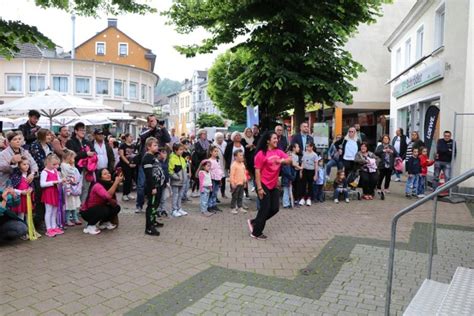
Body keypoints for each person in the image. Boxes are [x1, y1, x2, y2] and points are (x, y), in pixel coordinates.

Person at [247, 132, 292, 240]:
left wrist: (282, 160)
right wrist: (259, 188)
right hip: (262, 183)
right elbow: (257, 172)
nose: (277, 140)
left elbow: (290, 160)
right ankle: (256, 233)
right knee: (265, 208)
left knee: (275, 208)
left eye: (277, 138)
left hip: (274, 184)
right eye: (274, 138)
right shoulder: (261, 154)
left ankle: (254, 222)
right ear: (268, 141)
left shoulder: (279, 152)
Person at [136, 115, 171, 213]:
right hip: (145, 160)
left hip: (157, 162)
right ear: (148, 122)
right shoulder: (145, 130)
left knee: (156, 183)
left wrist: (162, 127)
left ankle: (155, 206)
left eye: (155, 121)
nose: (154, 122)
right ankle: (139, 205)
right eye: (151, 121)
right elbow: (142, 137)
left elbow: (168, 139)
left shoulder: (160, 131)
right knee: (141, 184)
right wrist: (152, 128)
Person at [81, 169, 122, 235]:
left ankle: (104, 222)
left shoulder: (108, 184)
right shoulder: (97, 185)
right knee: (103, 210)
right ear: (100, 177)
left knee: (116, 207)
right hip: (87, 211)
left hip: (98, 208)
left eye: (108, 173)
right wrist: (115, 183)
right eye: (105, 174)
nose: (108, 175)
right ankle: (90, 226)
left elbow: (113, 199)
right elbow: (107, 196)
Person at [142, 137, 166, 236]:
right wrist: (153, 187)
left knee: (155, 205)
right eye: (154, 145)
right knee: (151, 206)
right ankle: (149, 227)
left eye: (157, 145)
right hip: (153, 186)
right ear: (148, 147)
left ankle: (153, 221)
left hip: (158, 185)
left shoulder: (153, 156)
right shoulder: (147, 158)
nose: (157, 147)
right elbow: (148, 175)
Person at [66, 122, 94, 203]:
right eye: (81, 130)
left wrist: (90, 154)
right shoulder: (70, 142)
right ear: (76, 131)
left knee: (86, 187)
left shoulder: (87, 141)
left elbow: (93, 151)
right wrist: (86, 154)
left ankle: (83, 206)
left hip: (87, 168)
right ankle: (76, 208)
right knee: (76, 188)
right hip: (76, 168)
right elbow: (72, 155)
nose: (83, 132)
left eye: (84, 130)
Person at [40, 154, 64, 237]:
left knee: (55, 211)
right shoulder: (44, 172)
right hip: (48, 193)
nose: (56, 166)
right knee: (49, 211)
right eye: (54, 164)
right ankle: (48, 228)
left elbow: (58, 180)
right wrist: (53, 182)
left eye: (57, 164)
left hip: (55, 192)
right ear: (47, 163)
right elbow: (42, 184)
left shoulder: (55, 171)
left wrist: (63, 181)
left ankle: (54, 226)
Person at [61, 150, 82, 227]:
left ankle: (75, 217)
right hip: (68, 187)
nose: (74, 159)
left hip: (73, 186)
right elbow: (72, 173)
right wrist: (73, 165)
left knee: (74, 203)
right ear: (69, 158)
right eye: (73, 158)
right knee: (69, 203)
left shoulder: (69, 166)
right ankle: (67, 219)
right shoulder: (64, 166)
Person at [10, 156, 34, 223]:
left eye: (28, 164)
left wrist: (30, 189)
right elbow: (12, 188)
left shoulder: (28, 175)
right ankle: (22, 230)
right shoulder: (16, 176)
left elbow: (31, 186)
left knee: (28, 215)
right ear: (19, 165)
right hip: (20, 199)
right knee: (21, 215)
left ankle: (29, 230)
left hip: (27, 198)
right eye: (24, 164)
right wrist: (21, 192)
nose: (27, 166)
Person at [169, 143, 188, 218]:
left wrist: (185, 177)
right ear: (175, 150)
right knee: (175, 195)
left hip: (182, 181)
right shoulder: (172, 159)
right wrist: (177, 177)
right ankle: (174, 210)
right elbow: (170, 171)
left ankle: (179, 208)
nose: (182, 151)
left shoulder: (182, 159)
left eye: (182, 149)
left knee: (180, 195)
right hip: (176, 181)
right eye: (180, 150)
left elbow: (184, 169)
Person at [191, 129, 211, 198]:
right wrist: (205, 151)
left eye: (206, 134)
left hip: (206, 162)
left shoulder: (208, 142)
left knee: (204, 177)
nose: (205, 135)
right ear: (200, 135)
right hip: (199, 162)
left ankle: (200, 189)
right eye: (203, 134)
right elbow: (198, 153)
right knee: (197, 177)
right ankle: (193, 191)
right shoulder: (197, 143)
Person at [119, 133, 137, 201]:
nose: (131, 138)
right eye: (130, 137)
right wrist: (128, 163)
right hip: (125, 165)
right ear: (126, 138)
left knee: (131, 179)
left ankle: (129, 193)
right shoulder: (122, 145)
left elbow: (135, 154)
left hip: (132, 164)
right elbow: (122, 155)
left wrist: (134, 162)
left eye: (132, 137)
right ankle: (124, 194)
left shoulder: (133, 145)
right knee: (127, 179)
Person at [229, 150, 247, 214]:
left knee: (240, 196)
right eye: (240, 155)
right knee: (235, 196)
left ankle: (240, 207)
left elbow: (244, 173)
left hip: (242, 183)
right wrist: (232, 183)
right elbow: (231, 175)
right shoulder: (234, 165)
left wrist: (245, 181)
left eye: (242, 155)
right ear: (235, 157)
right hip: (236, 184)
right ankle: (233, 208)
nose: (242, 157)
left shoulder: (242, 164)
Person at [208, 145, 224, 212]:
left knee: (215, 193)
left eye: (217, 151)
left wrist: (220, 179)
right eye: (215, 151)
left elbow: (219, 169)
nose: (216, 152)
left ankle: (214, 205)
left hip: (217, 178)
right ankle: (209, 206)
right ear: (211, 152)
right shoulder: (209, 161)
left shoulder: (218, 160)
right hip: (212, 179)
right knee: (211, 193)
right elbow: (208, 171)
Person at [242, 127, 257, 197]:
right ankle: (246, 192)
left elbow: (256, 147)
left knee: (255, 175)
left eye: (250, 131)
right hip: (246, 160)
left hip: (254, 160)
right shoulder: (243, 139)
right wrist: (248, 146)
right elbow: (243, 147)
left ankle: (256, 188)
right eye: (247, 131)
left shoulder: (254, 139)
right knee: (245, 176)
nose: (249, 133)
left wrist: (253, 146)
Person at [213, 132, 228, 198]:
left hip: (224, 163)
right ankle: (215, 195)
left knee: (223, 179)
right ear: (216, 139)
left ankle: (223, 193)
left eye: (221, 138)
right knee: (216, 180)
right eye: (218, 138)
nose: (220, 139)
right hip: (217, 164)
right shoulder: (213, 145)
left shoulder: (225, 144)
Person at [288, 143, 303, 207]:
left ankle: (296, 200)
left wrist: (299, 169)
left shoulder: (297, 156)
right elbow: (293, 163)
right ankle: (290, 200)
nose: (299, 148)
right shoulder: (290, 154)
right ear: (294, 148)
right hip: (291, 172)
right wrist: (300, 167)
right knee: (291, 186)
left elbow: (296, 164)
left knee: (297, 186)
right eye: (297, 147)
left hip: (296, 172)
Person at [157, 148, 170, 217]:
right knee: (159, 196)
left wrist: (168, 181)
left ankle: (163, 209)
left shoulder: (167, 162)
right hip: (159, 182)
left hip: (165, 182)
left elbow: (168, 172)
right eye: (162, 152)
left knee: (164, 197)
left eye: (165, 153)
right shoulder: (158, 162)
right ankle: (158, 209)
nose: (164, 154)